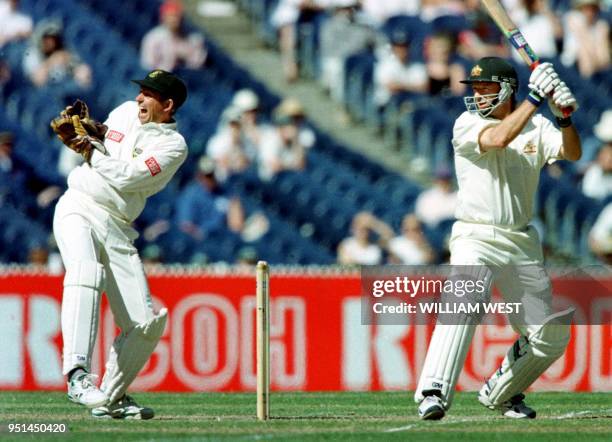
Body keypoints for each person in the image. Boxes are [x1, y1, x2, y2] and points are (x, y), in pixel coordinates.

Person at [415, 57, 581, 420]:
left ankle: (501, 393)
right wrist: (536, 98)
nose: (477, 96)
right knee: (466, 298)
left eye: (486, 89)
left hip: (520, 240)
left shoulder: (536, 125)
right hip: (475, 234)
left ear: (507, 90)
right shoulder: (467, 123)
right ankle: (433, 391)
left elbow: (572, 152)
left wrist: (564, 117)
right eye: (474, 89)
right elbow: (499, 137)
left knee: (550, 336)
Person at [52, 69, 188, 419]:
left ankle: (111, 397)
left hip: (117, 226)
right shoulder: (125, 111)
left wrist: (88, 149)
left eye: (149, 94)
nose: (140, 98)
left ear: (168, 105)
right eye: (141, 91)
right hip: (79, 205)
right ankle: (77, 375)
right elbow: (106, 149)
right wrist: (93, 134)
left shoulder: (173, 146)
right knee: (85, 271)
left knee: (144, 324)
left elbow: (127, 178)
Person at [22, 20, 91, 90]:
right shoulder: (32, 53)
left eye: (53, 39)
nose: (51, 43)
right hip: (45, 92)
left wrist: (73, 65)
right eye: (47, 39)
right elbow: (38, 81)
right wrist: (51, 61)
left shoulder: (61, 51)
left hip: (64, 88)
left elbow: (76, 70)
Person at [140, 0, 206, 72]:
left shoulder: (192, 39)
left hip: (185, 79)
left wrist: (183, 57)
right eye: (171, 16)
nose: (174, 20)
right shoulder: (153, 38)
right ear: (164, 17)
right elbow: (147, 65)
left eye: (176, 16)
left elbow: (198, 65)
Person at [561, 0, 610, 78]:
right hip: (572, 66)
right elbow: (586, 63)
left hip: (595, 68)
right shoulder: (573, 18)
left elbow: (604, 58)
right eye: (587, 7)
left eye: (593, 8)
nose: (590, 12)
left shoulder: (600, 25)